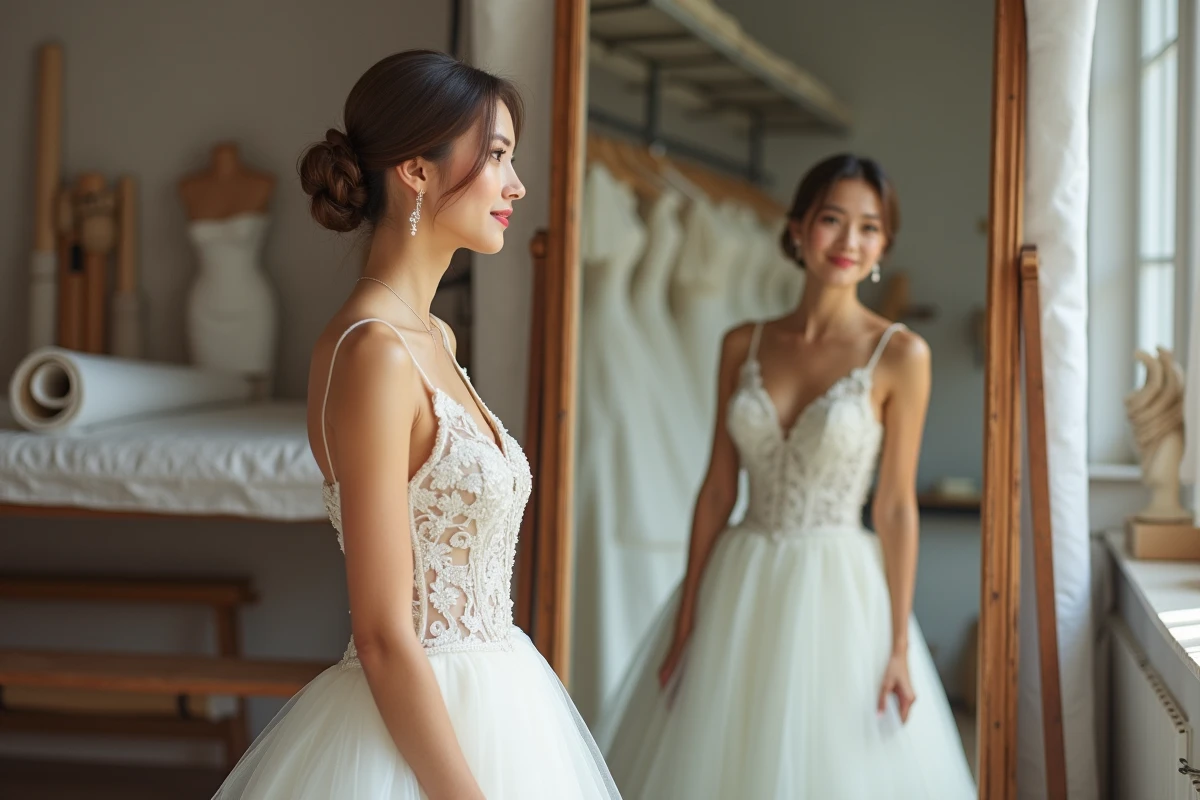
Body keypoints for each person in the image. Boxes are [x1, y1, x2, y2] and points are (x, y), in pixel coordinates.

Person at [211, 50, 619, 800]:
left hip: (502, 699)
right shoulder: (375, 352)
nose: (516, 185)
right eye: (495, 156)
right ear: (417, 171)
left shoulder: (436, 340)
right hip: (414, 735)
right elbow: (381, 632)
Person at [598, 154, 976, 799]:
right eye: (833, 220)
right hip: (737, 580)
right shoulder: (741, 344)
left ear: (884, 244)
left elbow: (893, 509)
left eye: (869, 227)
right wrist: (688, 613)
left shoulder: (901, 354)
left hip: (841, 589)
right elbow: (718, 488)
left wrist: (896, 648)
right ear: (799, 229)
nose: (849, 242)